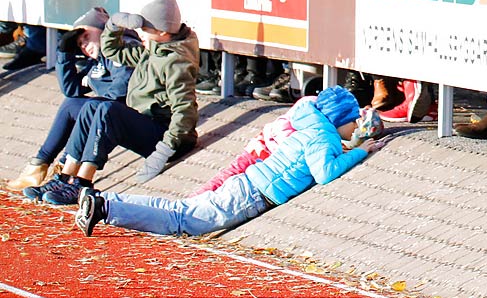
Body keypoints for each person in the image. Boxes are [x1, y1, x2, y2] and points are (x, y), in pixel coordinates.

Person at [75, 86, 384, 239]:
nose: (356, 124)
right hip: (251, 195)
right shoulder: (324, 136)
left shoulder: (313, 128)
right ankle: (105, 207)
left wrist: (351, 147)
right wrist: (361, 152)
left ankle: (106, 204)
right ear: (338, 117)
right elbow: (325, 172)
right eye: (353, 118)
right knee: (181, 219)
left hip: (247, 184)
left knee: (180, 213)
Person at [27, 0, 199, 205]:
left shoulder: (175, 61)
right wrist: (115, 24)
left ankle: (82, 182)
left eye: (145, 30)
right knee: (92, 106)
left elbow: (185, 110)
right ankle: (64, 177)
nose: (139, 34)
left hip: (167, 138)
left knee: (107, 110)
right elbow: (111, 50)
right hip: (149, 124)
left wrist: (165, 149)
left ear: (162, 32)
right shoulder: (153, 49)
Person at [7, 8, 134, 193]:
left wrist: (91, 108)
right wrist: (64, 53)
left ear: (103, 30)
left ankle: (68, 174)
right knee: (72, 104)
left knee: (90, 108)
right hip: (111, 114)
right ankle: (40, 166)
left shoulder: (122, 48)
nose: (84, 46)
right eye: (79, 44)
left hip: (137, 119)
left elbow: (120, 94)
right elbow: (71, 90)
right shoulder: (97, 60)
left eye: (86, 37)